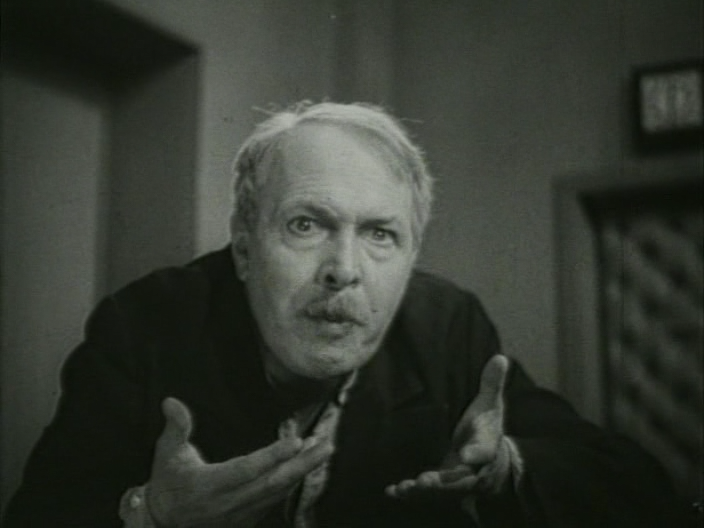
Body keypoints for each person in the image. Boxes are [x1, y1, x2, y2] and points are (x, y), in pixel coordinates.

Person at [3, 102, 688, 527]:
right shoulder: (145, 325)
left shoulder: (446, 325)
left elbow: (641, 492)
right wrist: (151, 515)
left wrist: (504, 466)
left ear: (412, 255)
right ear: (244, 249)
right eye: (306, 225)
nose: (344, 268)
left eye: (381, 234)